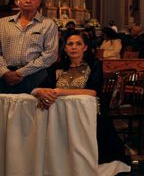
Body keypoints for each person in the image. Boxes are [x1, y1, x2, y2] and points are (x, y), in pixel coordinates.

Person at [32, 31, 130, 165]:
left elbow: (92, 92)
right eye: (70, 44)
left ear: (85, 47)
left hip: (88, 114)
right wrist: (40, 91)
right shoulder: (57, 67)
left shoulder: (94, 65)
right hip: (60, 116)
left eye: (78, 44)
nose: (74, 47)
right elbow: (39, 87)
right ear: (65, 48)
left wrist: (60, 91)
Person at [0, 0, 58, 94]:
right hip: (5, 77)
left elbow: (51, 54)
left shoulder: (48, 24)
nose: (28, 0)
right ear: (17, 1)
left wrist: (21, 72)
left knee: (32, 110)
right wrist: (4, 72)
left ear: (38, 2)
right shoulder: (2, 23)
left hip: (35, 77)